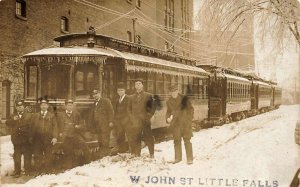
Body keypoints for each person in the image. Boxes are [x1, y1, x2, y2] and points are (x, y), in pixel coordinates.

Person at [56, 99, 90, 168]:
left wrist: (78, 126)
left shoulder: (77, 114)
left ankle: (88, 164)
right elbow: (57, 125)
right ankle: (69, 167)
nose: (70, 107)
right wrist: (60, 132)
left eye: (71, 105)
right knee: (68, 150)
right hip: (65, 136)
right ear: (65, 106)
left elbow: (82, 125)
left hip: (75, 135)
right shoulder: (60, 115)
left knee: (83, 144)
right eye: (68, 105)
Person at [166, 85, 194, 165]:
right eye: (172, 92)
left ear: (177, 91)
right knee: (176, 141)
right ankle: (178, 158)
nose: (174, 93)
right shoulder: (169, 101)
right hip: (175, 124)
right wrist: (167, 118)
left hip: (185, 123)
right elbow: (168, 111)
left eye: (175, 91)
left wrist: (189, 119)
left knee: (187, 141)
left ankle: (189, 159)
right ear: (170, 93)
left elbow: (191, 109)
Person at [128, 79, 155, 157]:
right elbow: (129, 109)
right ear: (135, 86)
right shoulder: (131, 97)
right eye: (136, 84)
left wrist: (148, 116)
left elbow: (152, 108)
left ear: (142, 85)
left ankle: (151, 153)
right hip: (135, 121)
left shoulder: (148, 95)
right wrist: (132, 118)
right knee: (136, 137)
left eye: (140, 84)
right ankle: (137, 153)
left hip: (145, 121)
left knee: (148, 137)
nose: (138, 85)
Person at [6, 100, 33, 177]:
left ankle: (28, 171)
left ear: (24, 107)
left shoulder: (29, 115)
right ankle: (17, 171)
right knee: (17, 156)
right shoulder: (12, 115)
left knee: (27, 155)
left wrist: (30, 137)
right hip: (16, 139)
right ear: (16, 107)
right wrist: (13, 120)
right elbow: (7, 123)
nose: (19, 108)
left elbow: (32, 127)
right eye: (18, 107)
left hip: (26, 139)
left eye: (21, 106)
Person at [31, 99, 58, 173]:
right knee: (37, 155)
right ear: (40, 106)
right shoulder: (35, 115)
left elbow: (55, 127)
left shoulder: (52, 116)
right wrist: (31, 137)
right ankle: (38, 171)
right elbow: (32, 126)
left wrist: (55, 137)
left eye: (45, 105)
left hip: (48, 138)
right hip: (37, 138)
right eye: (42, 105)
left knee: (48, 155)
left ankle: (48, 171)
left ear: (47, 106)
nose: (43, 106)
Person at [90, 89, 114, 156]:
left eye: (96, 94)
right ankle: (102, 153)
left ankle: (106, 153)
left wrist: (111, 121)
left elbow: (111, 111)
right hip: (98, 125)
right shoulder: (94, 103)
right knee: (100, 139)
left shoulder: (106, 101)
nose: (95, 95)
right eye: (94, 94)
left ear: (100, 94)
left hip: (105, 124)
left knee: (105, 139)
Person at [113, 82, 131, 154]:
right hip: (119, 122)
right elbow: (116, 111)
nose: (120, 92)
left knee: (130, 136)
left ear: (124, 91)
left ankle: (131, 150)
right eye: (118, 90)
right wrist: (116, 120)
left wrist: (126, 120)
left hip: (127, 121)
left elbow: (130, 111)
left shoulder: (128, 98)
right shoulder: (117, 100)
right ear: (117, 91)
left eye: (121, 90)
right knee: (120, 136)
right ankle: (122, 151)